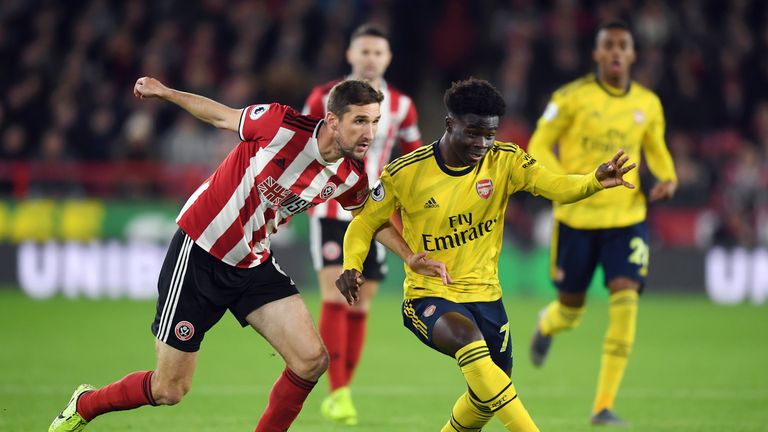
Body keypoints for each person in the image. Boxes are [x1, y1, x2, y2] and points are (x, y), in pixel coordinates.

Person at [49, 77, 448, 432]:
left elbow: (368, 216)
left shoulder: (350, 174)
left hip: (253, 263)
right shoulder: (280, 124)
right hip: (201, 253)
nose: (370, 132)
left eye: (375, 121)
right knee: (169, 389)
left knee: (310, 360)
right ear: (332, 120)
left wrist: (410, 256)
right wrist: (165, 93)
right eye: (360, 121)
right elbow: (222, 116)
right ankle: (86, 404)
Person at [335, 77, 637, 432]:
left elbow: (553, 184)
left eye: (490, 134)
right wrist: (352, 265)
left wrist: (592, 181)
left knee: (486, 397)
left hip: (487, 298)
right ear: (450, 124)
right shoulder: (407, 172)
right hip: (429, 295)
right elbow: (363, 222)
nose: (482, 143)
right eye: (473, 132)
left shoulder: (505, 161)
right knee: (467, 340)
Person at [527, 20, 677, 426]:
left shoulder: (648, 102)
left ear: (632, 54)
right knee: (570, 311)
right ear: (595, 54)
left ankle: (602, 406)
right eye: (607, 45)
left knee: (626, 297)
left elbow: (656, 148)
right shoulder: (570, 98)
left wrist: (667, 177)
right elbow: (539, 143)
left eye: (622, 46)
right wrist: (565, 183)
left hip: (627, 218)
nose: (615, 52)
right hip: (576, 216)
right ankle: (547, 324)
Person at [302, 23, 422, 425]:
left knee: (362, 304)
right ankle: (338, 393)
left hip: (377, 214)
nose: (370, 58)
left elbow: (414, 157)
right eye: (364, 51)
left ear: (388, 59)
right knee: (337, 296)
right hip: (331, 209)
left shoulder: (402, 105)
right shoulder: (322, 98)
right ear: (350, 55)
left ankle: (343, 391)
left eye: (378, 53)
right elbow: (300, 148)